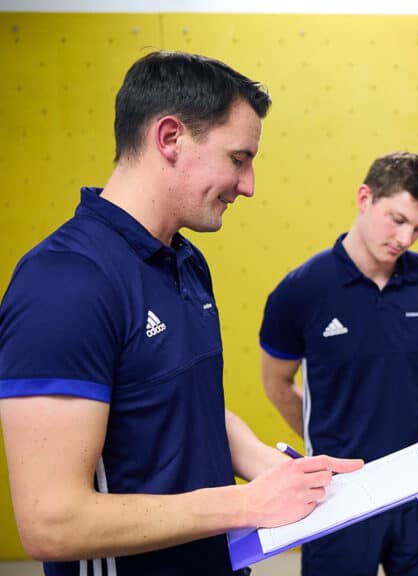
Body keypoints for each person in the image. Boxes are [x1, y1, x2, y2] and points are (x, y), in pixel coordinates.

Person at [0, 51, 362, 576]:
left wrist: (273, 467)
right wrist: (246, 504)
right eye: (239, 158)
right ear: (170, 138)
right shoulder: (65, 283)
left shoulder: (186, 261)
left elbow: (179, 403)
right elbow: (51, 521)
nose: (249, 185)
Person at [260, 151, 418, 576]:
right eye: (397, 219)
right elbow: (277, 383)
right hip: (340, 492)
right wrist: (330, 441)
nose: (406, 238)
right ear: (364, 197)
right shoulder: (301, 290)